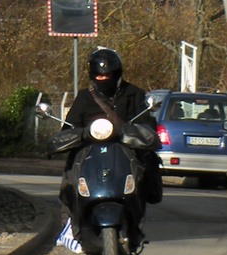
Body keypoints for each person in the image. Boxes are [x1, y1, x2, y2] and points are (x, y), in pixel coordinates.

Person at [62, 47, 161, 207]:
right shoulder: (84, 97)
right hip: (90, 156)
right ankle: (71, 217)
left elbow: (146, 124)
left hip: (125, 154)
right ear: (92, 76)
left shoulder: (134, 94)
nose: (103, 79)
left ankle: (136, 212)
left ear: (116, 73)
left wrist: (133, 133)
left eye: (107, 75)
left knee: (142, 173)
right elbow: (69, 127)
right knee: (71, 177)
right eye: (99, 76)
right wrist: (78, 135)